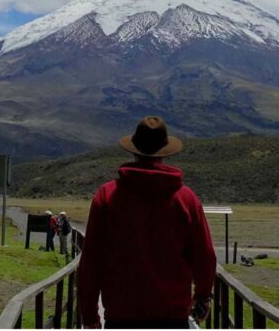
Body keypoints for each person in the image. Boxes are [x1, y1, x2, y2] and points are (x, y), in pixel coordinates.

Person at [78, 116, 216, 329]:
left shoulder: (107, 196)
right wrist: (203, 296)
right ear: (165, 151)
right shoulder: (186, 199)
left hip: (120, 317)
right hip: (172, 318)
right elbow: (205, 256)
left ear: (133, 150)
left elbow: (91, 261)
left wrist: (89, 315)